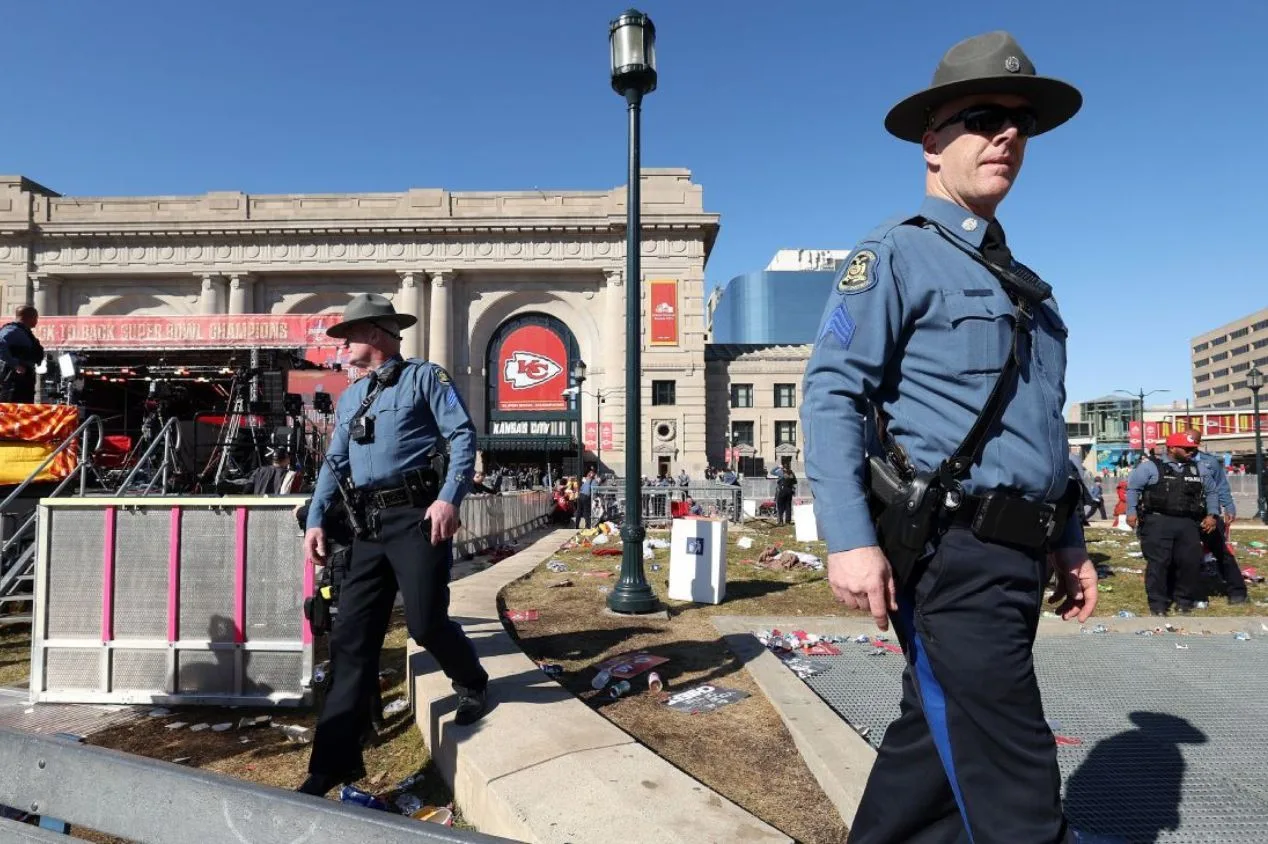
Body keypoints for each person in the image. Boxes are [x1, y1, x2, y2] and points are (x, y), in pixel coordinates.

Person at [801, 32, 1095, 843]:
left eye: (1020, 123)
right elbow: (831, 390)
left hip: (1015, 555)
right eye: (983, 117)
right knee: (1016, 781)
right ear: (932, 142)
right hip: (950, 556)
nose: (1007, 135)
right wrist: (849, 539)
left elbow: (1041, 429)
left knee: (931, 755)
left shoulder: (1027, 286)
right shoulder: (895, 256)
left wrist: (1067, 539)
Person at [298, 293, 488, 796]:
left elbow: (463, 437)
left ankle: (472, 680)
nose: (340, 347)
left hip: (416, 516)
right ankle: (330, 765)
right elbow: (334, 464)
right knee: (350, 642)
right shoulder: (350, 397)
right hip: (366, 527)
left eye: (349, 336)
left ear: (378, 336)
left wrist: (450, 498)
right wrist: (316, 518)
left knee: (425, 623)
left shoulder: (426, 378)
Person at [1127, 431, 1219, 616]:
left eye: (1193, 449)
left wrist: (1212, 514)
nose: (1191, 452)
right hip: (1157, 521)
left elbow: (1211, 492)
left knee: (1189, 562)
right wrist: (1131, 512)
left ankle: (1183, 600)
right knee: (1159, 563)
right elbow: (1133, 488)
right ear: (1171, 448)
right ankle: (1158, 604)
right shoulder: (1150, 467)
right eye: (1187, 449)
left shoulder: (1198, 468)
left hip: (1188, 523)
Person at [1189, 430, 1246, 604]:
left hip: (1210, 514)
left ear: (1198, 443)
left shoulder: (1210, 462)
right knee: (1185, 554)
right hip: (1186, 515)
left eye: (1193, 444)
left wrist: (1228, 507)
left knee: (1222, 553)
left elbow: (1221, 486)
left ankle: (1237, 592)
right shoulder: (1175, 461)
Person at [0, 305, 44, 404]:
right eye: (36, 318)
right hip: (14, 380)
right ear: (29, 317)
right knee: (12, 409)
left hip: (24, 379)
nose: (36, 321)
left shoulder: (24, 332)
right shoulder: (13, 330)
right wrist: (15, 364)